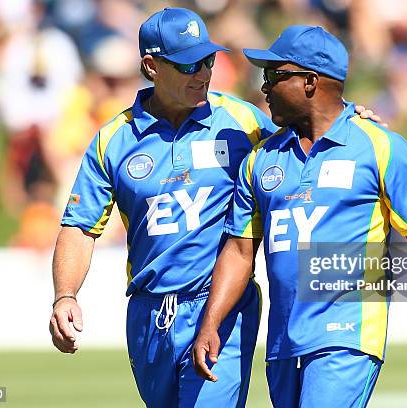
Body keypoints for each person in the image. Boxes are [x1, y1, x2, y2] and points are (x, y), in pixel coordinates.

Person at [48, 8, 385, 408]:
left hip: (222, 307)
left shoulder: (243, 122)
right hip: (147, 313)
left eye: (209, 60)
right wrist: (65, 295)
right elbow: (80, 226)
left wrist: (352, 119)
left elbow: (312, 131)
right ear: (151, 66)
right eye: (190, 64)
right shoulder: (113, 140)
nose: (204, 73)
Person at [192, 25, 407, 407]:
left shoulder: (379, 146)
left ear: (310, 81)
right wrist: (211, 322)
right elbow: (240, 253)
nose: (264, 87)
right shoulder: (260, 158)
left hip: (347, 337)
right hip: (283, 343)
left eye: (274, 75)